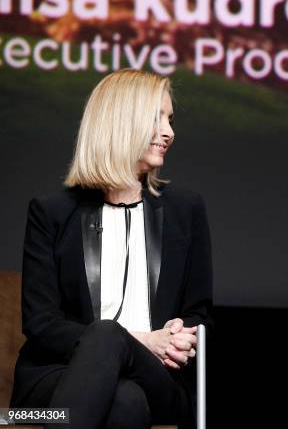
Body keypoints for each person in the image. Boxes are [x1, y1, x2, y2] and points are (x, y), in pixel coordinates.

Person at [10, 69, 213, 429]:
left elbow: (199, 314)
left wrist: (182, 336)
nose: (169, 132)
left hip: (158, 379)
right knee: (124, 400)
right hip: (55, 382)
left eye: (170, 119)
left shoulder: (186, 209)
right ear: (121, 123)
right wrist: (142, 340)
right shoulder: (52, 212)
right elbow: (42, 325)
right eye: (156, 119)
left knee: (116, 359)